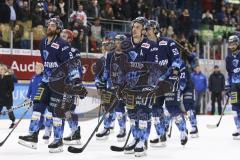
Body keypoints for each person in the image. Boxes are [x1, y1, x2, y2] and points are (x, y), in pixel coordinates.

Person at [18, 18, 86, 153]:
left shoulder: (63, 45)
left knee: (57, 112)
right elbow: (45, 62)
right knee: (37, 105)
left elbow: (71, 65)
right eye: (48, 25)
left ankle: (58, 140)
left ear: (58, 29)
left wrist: (77, 82)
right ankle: (32, 135)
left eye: (53, 25)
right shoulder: (42, 43)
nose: (49, 27)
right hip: (45, 81)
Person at [146, 20, 189, 146]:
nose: (147, 31)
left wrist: (175, 69)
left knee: (172, 107)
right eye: (146, 29)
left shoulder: (168, 42)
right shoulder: (146, 46)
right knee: (155, 110)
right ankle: (161, 136)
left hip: (170, 80)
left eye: (149, 29)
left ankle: (183, 131)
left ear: (155, 29)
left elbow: (177, 59)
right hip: (155, 83)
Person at [95, 35, 127, 142]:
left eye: (120, 42)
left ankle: (122, 129)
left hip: (123, 87)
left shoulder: (129, 55)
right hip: (111, 85)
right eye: (116, 42)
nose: (118, 44)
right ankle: (106, 127)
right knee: (107, 108)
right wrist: (101, 83)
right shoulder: (110, 55)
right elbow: (106, 71)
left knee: (119, 109)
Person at [225, 35, 240, 140]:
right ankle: (238, 128)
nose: (232, 46)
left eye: (234, 44)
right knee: (235, 108)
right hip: (234, 86)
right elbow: (229, 73)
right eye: (230, 44)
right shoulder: (228, 58)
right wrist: (228, 86)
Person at [0, 63, 15, 129]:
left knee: (9, 110)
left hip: (7, 98)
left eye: (1, 69)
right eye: (0, 69)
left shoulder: (9, 77)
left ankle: (13, 122)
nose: (0, 70)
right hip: (0, 97)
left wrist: (7, 94)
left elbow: (12, 88)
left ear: (4, 70)